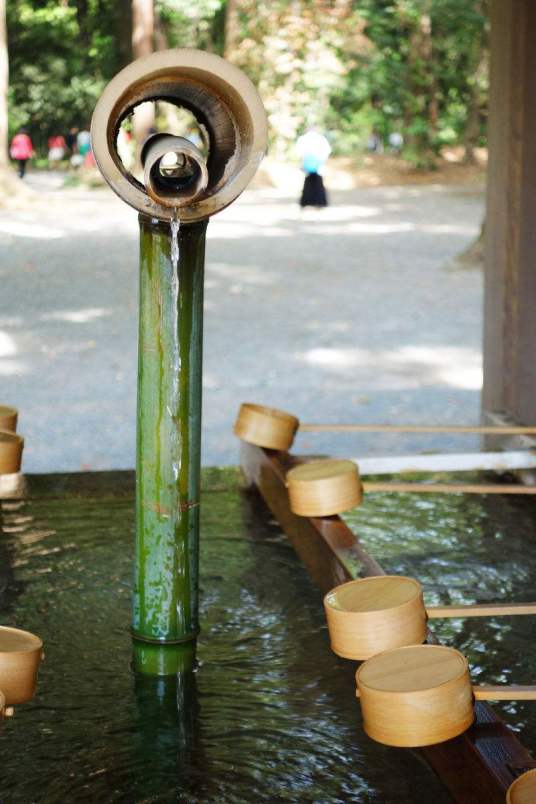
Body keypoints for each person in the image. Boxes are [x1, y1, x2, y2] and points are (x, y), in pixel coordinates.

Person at [296, 127, 331, 208]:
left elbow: (299, 152)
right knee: (318, 183)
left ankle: (306, 202)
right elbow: (326, 151)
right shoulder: (321, 138)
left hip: (308, 164)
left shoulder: (303, 139)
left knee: (308, 183)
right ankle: (319, 202)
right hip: (317, 163)